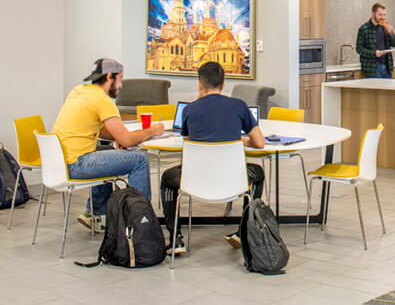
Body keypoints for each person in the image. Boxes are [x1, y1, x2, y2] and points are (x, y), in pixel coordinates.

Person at [160, 61, 265, 255]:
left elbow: (188, 141)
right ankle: (243, 232)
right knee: (257, 173)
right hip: (234, 179)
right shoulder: (239, 106)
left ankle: (176, 239)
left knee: (167, 179)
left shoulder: (189, 110)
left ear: (200, 85)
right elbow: (259, 143)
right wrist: (239, 139)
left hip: (196, 179)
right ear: (224, 84)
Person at [52, 58, 164, 233]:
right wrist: (152, 131)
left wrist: (116, 136)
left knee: (108, 151)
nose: (121, 86)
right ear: (110, 77)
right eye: (120, 79)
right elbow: (127, 140)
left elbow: (101, 131)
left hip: (59, 163)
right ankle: (140, 220)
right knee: (139, 159)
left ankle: (95, 213)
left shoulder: (79, 91)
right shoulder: (102, 100)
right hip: (77, 164)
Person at [356, 2, 395, 78]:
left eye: (384, 15)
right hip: (373, 69)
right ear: (373, 14)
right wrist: (374, 53)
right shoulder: (364, 28)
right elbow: (359, 49)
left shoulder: (385, 26)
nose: (383, 17)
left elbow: (394, 44)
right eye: (380, 15)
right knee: (376, 90)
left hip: (387, 67)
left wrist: (391, 33)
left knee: (389, 90)